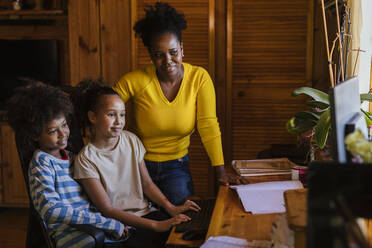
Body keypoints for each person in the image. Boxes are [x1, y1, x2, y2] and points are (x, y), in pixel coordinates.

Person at [113, 2, 246, 205]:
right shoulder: (135, 81)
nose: (168, 60)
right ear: (151, 56)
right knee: (141, 224)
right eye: (159, 55)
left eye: (173, 52)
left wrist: (221, 171)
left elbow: (208, 125)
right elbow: (105, 106)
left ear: (182, 50)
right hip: (137, 165)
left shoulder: (199, 78)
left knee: (181, 219)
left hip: (176, 167)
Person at [72, 79, 200, 248]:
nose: (119, 121)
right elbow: (107, 210)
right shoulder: (85, 159)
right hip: (121, 226)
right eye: (111, 114)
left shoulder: (131, 140)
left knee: (190, 234)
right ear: (92, 117)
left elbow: (147, 184)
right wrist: (157, 225)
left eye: (122, 114)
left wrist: (171, 208)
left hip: (147, 214)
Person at [7, 82, 128, 248]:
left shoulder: (73, 157)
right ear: (35, 135)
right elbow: (51, 209)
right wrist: (105, 223)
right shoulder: (41, 163)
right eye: (52, 131)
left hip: (95, 225)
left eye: (64, 125)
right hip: (73, 234)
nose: (63, 134)